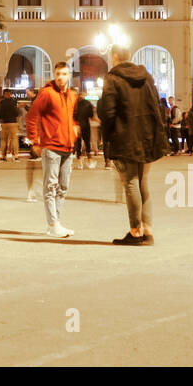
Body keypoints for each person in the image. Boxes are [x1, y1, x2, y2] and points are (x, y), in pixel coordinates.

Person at [97, 45, 167, 245]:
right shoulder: (146, 77)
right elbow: (157, 106)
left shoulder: (112, 78)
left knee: (130, 182)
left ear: (115, 57)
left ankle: (135, 232)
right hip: (147, 138)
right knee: (143, 183)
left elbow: (108, 112)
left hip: (125, 137)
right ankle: (148, 232)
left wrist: (108, 137)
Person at [25, 62, 78, 237]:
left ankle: (56, 223)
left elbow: (70, 118)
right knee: (50, 186)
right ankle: (53, 223)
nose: (60, 77)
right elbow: (32, 116)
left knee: (63, 187)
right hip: (51, 147)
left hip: (68, 147)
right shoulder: (46, 94)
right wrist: (34, 140)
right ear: (54, 75)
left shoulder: (72, 96)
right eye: (57, 73)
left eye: (64, 73)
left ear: (69, 75)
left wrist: (74, 130)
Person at [0, 88, 20, 162]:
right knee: (14, 139)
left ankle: (3, 156)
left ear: (4, 94)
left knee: (3, 140)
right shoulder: (14, 102)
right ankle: (15, 156)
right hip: (13, 123)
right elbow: (17, 113)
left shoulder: (1, 103)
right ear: (10, 94)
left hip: (4, 123)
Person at [73, 93, 95, 170]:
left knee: (78, 144)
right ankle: (89, 161)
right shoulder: (88, 103)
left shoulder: (75, 104)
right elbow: (91, 115)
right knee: (87, 143)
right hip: (86, 125)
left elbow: (73, 115)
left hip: (77, 126)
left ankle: (79, 163)